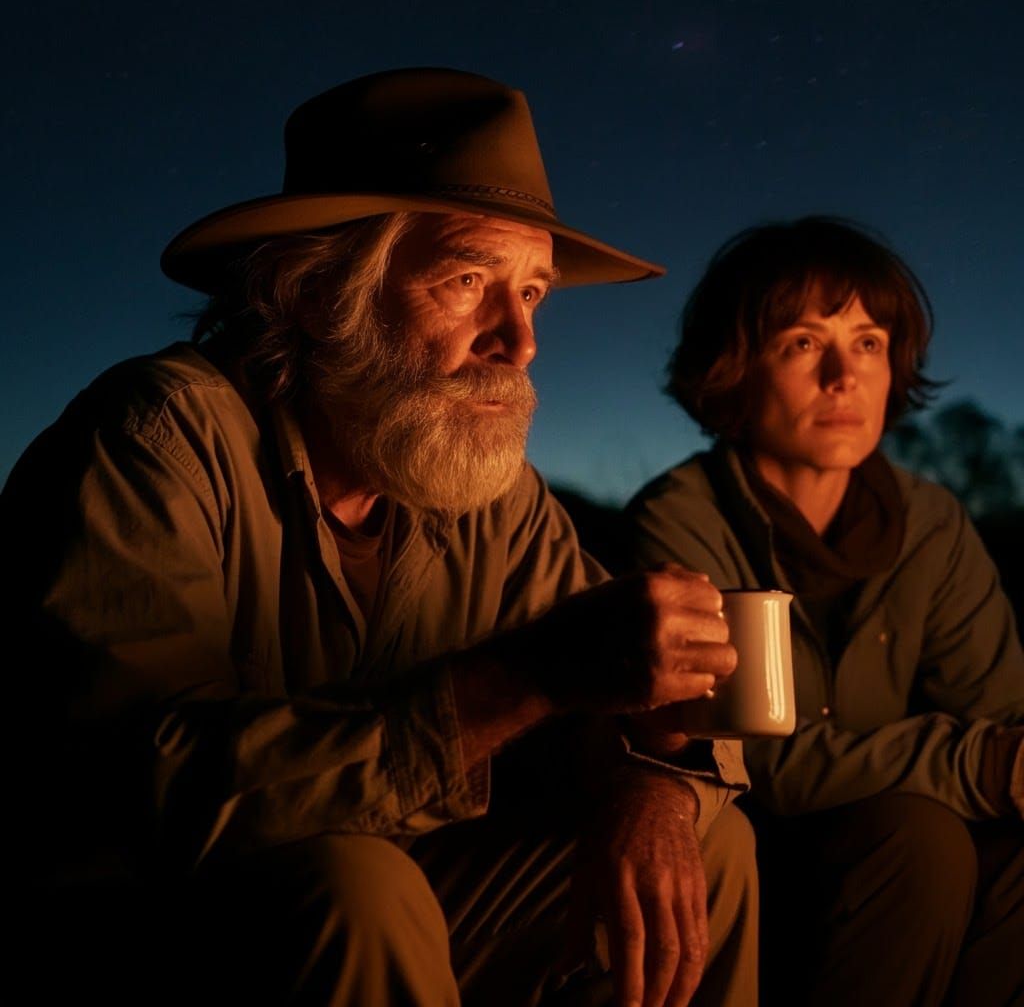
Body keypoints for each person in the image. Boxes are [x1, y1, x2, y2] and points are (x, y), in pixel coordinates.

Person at [7, 68, 757, 1007]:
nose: (518, 341)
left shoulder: (482, 483)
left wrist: (653, 780)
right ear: (324, 293)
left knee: (701, 844)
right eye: (467, 280)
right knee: (356, 883)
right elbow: (143, 784)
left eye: (533, 294)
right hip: (144, 928)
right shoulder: (157, 435)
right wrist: (528, 675)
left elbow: (633, 685)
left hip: (392, 901)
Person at [625, 217, 1024, 1006]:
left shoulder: (931, 523)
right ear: (738, 369)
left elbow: (1001, 715)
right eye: (804, 343)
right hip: (755, 862)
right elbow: (752, 763)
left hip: (909, 856)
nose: (844, 376)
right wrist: (978, 765)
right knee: (923, 838)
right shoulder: (680, 522)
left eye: (868, 343)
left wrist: (1003, 766)